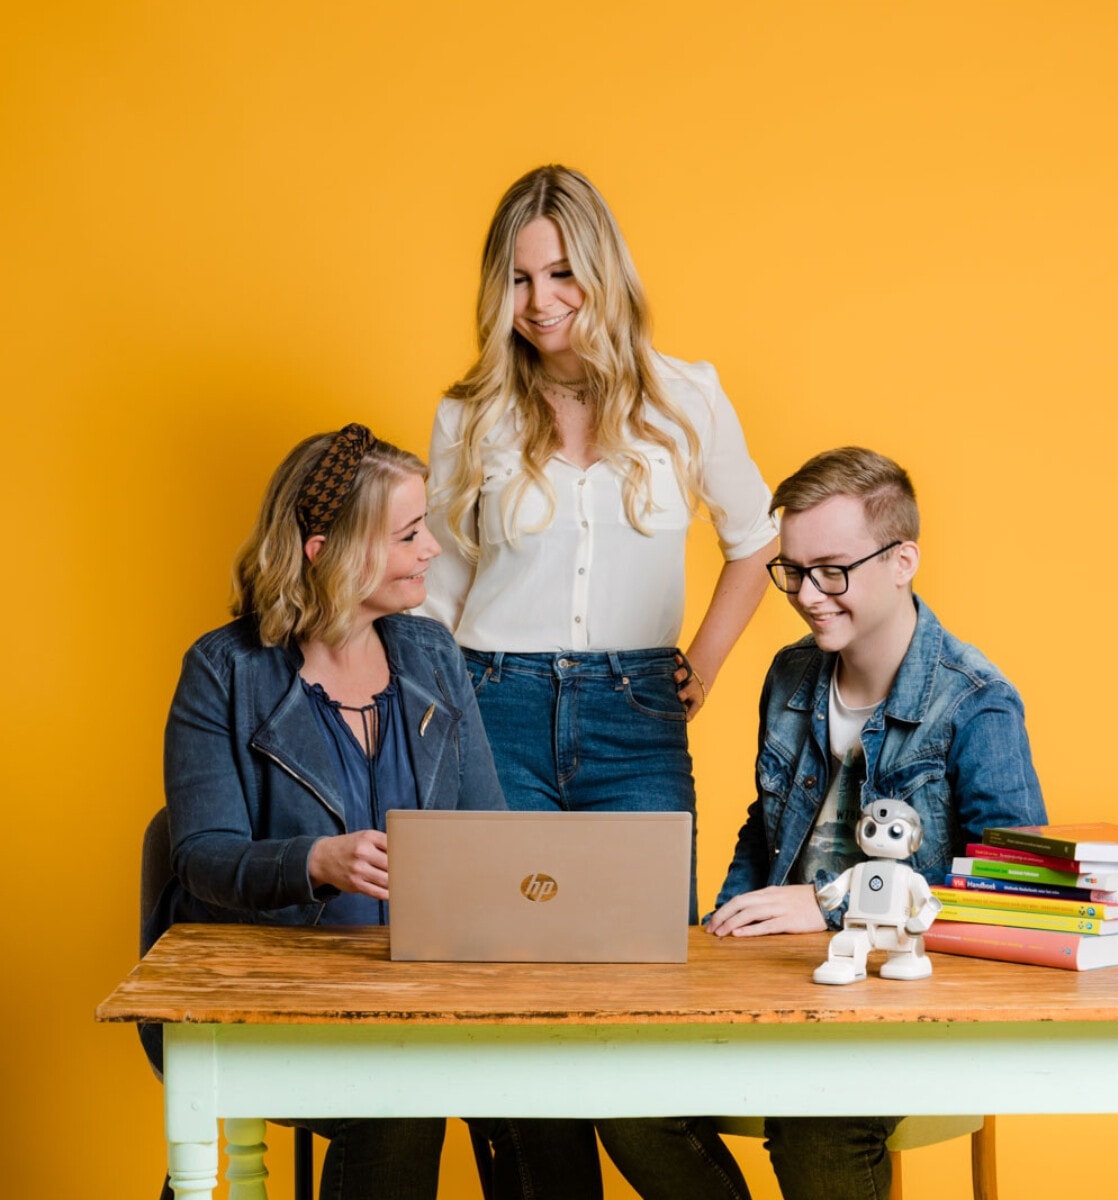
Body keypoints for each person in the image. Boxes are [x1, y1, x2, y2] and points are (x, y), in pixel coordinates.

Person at [420, 165, 778, 1197]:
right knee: (513, 1017)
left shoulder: (686, 397)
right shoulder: (468, 416)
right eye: (518, 279)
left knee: (647, 1008)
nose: (540, 303)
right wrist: (443, 724)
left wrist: (702, 663)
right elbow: (437, 591)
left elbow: (756, 540)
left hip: (635, 721)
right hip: (495, 708)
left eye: (562, 273)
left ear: (604, 271)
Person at [598, 446, 1047, 1200]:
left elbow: (1015, 893)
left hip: (908, 1004)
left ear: (903, 561)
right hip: (780, 986)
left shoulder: (977, 702)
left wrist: (833, 903)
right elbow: (764, 826)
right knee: (623, 1095)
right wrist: (725, 930)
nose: (808, 595)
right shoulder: (790, 672)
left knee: (816, 1121)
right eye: (793, 570)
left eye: (832, 571)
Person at [147, 424, 506, 1200]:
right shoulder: (223, 670)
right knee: (401, 1104)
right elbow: (200, 855)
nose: (432, 550)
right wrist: (314, 861)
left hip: (413, 999)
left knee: (533, 1094)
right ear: (325, 551)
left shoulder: (432, 654)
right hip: (270, 999)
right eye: (408, 535)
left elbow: (490, 834)